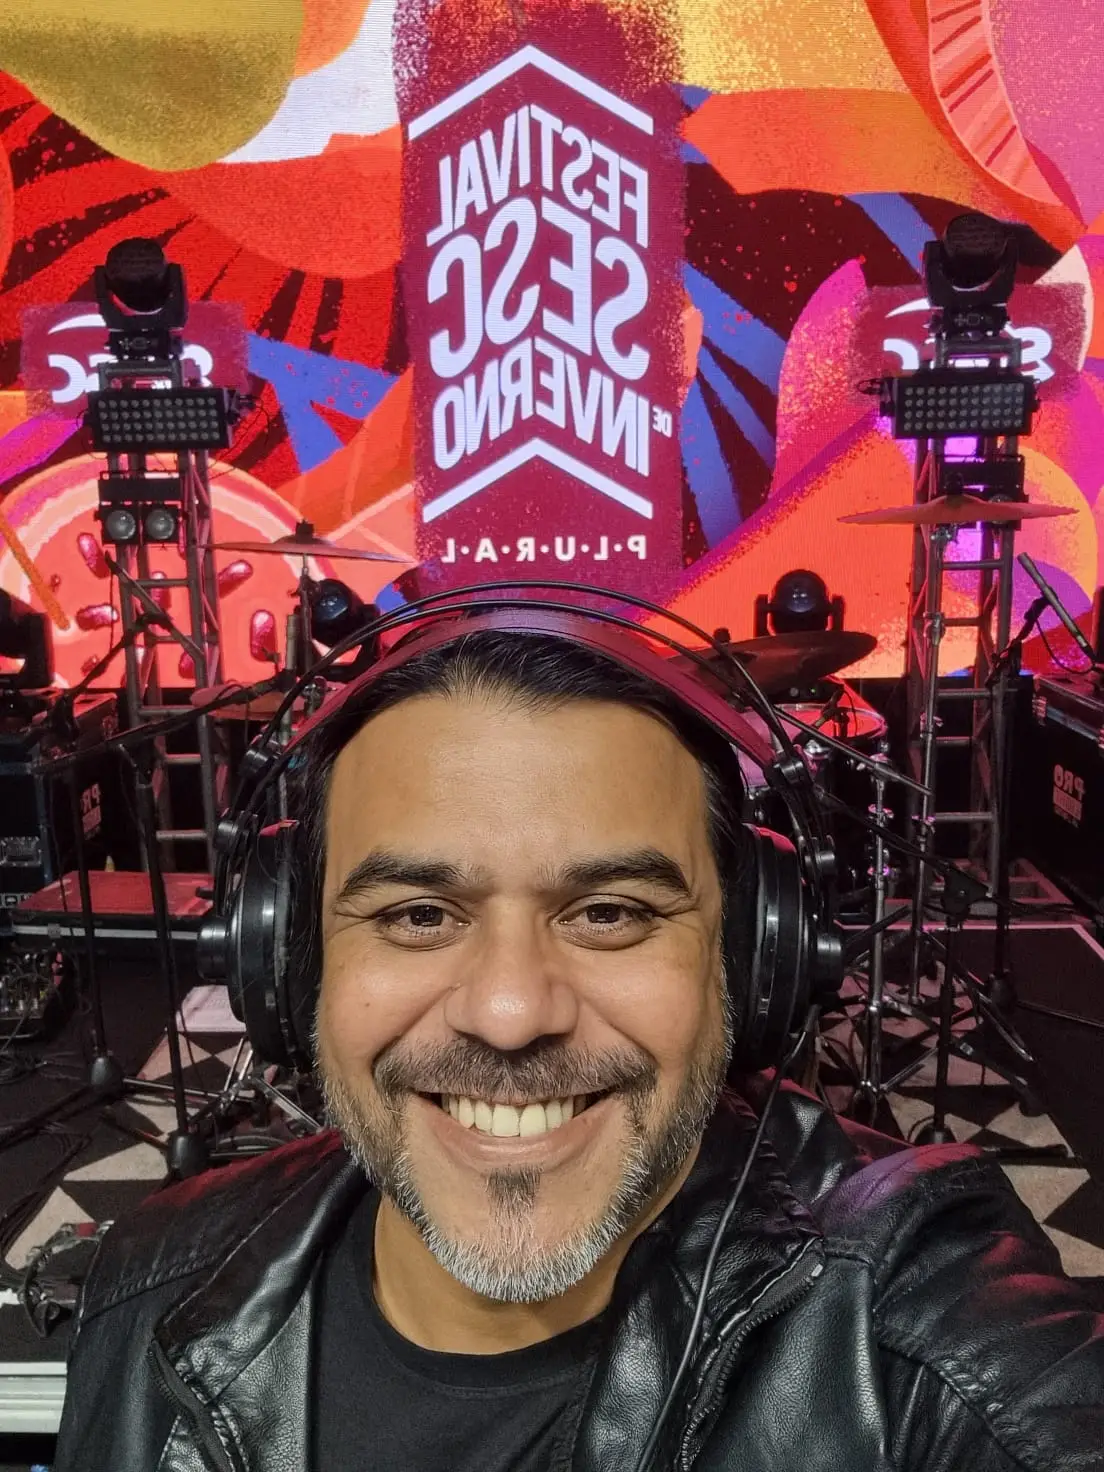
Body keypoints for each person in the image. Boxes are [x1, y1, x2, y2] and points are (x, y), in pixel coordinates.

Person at [54, 625, 1104, 1471]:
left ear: (751, 958)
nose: (511, 1012)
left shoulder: (915, 1327)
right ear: (291, 962)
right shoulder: (149, 1282)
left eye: (610, 912)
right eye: (418, 914)